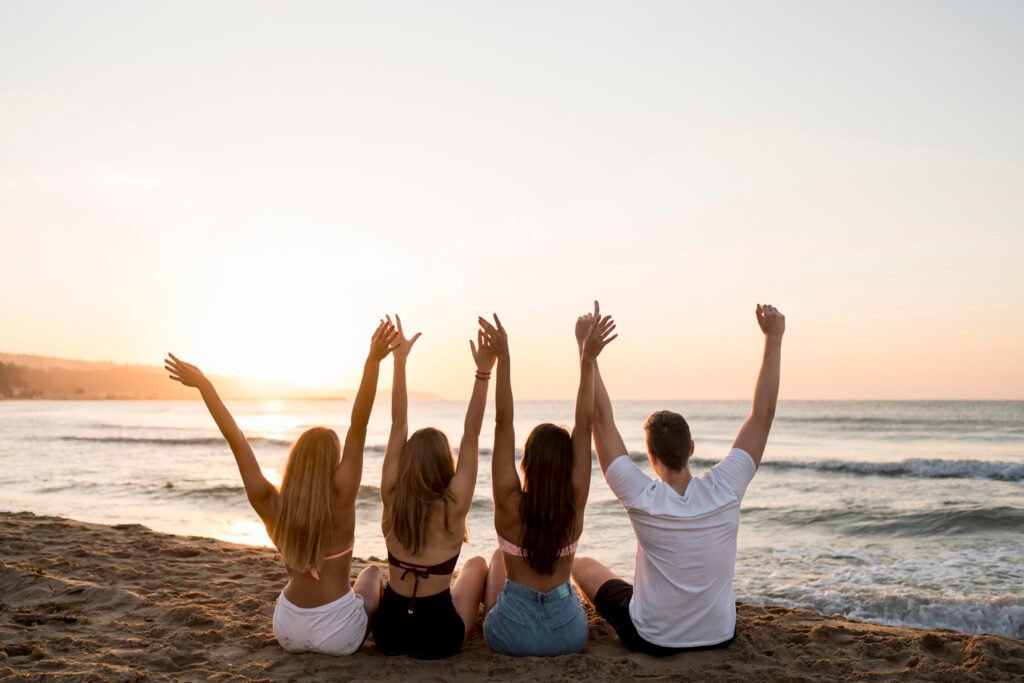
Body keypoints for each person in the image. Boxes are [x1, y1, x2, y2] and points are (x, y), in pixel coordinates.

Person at [163, 318, 398, 656]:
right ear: (332, 463)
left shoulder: (270, 504)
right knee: (373, 575)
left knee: (358, 586)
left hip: (287, 628)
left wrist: (205, 387)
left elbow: (236, 439)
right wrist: (373, 362)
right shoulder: (341, 497)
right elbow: (358, 424)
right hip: (338, 636)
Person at [572, 303, 785, 656]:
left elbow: (601, 421)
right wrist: (773, 338)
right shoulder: (727, 487)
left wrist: (586, 353)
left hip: (651, 639)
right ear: (691, 448)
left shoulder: (641, 495)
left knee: (582, 566)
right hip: (720, 635)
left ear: (651, 458)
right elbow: (763, 414)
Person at [481, 308, 617, 656]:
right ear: (569, 465)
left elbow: (502, 423)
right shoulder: (574, 500)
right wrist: (586, 361)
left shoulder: (509, 503)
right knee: (503, 560)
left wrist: (504, 359)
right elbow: (584, 425)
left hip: (510, 634)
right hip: (568, 634)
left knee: (499, 558)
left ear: (526, 461)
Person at [371, 315, 490, 659]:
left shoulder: (391, 500)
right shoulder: (453, 510)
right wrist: (483, 373)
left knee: (375, 576)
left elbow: (398, 424)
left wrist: (399, 361)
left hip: (388, 634)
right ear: (444, 465)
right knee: (477, 565)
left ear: (407, 462)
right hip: (439, 638)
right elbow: (472, 435)